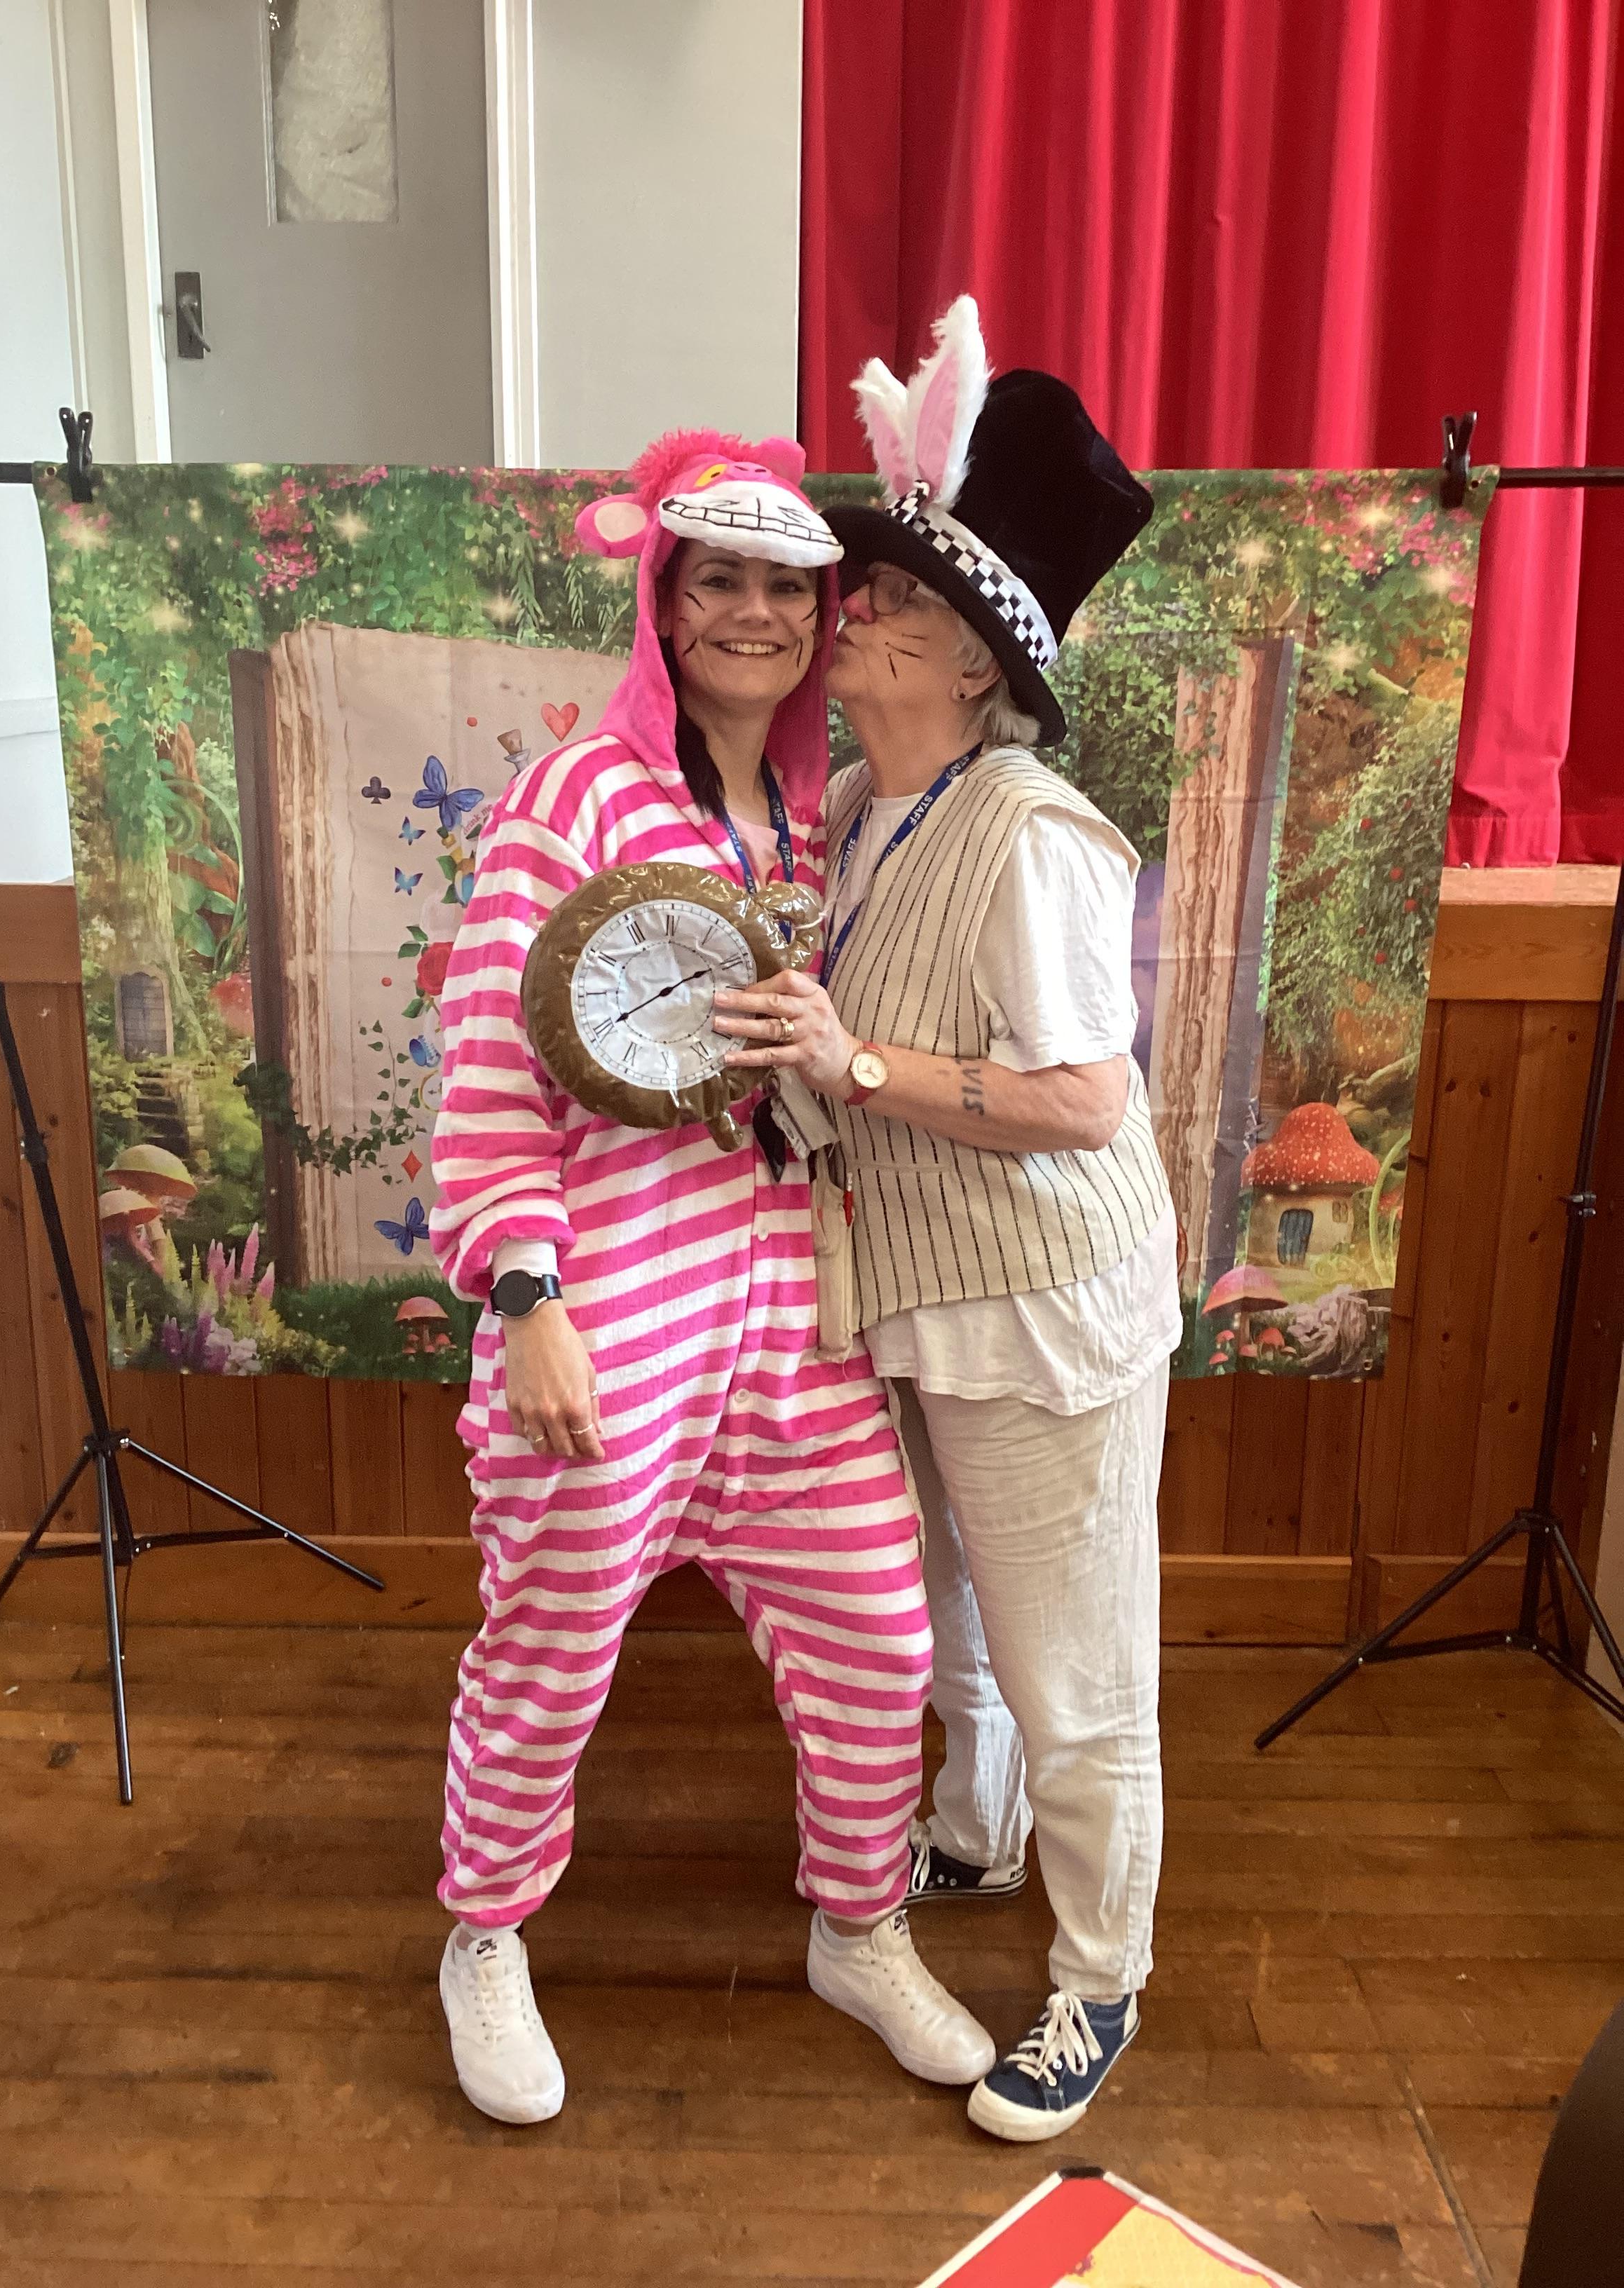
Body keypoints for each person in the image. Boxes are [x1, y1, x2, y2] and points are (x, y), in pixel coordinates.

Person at [427, 429, 995, 2126]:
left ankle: (860, 1925)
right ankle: (483, 1935)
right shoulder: (569, 802)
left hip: (793, 1310)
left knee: (879, 1634)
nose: (756, 612)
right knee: (549, 1651)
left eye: (787, 586)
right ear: (664, 604)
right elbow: (487, 1073)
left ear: (824, 614)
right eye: (720, 580)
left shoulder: (826, 818)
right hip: (610, 1310)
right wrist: (527, 1300)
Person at [714, 301, 1181, 2144]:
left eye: (896, 600)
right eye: (873, 589)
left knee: (1079, 1669)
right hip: (923, 1299)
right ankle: (974, 1840)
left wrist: (858, 1062)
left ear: (978, 663)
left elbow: (1085, 1103)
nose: (856, 613)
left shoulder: (1034, 836)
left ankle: (1100, 1981)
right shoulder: (857, 806)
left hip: (1048, 1307)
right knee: (957, 1615)